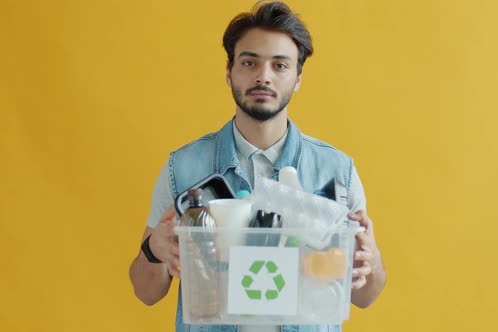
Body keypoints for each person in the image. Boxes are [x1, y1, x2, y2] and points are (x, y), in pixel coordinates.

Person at [129, 2, 386, 331]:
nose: (263, 76)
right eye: (249, 62)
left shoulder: (336, 171)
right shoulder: (184, 169)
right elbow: (145, 292)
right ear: (229, 71)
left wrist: (371, 261)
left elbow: (365, 297)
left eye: (280, 65)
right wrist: (153, 251)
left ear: (297, 78)